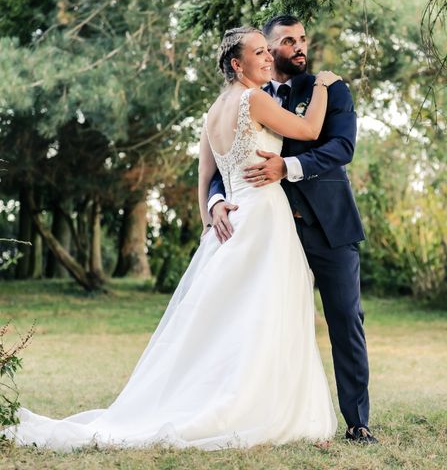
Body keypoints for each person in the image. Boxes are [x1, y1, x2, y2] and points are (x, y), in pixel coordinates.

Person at [2, 27, 342, 451]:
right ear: (237, 65)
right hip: (263, 217)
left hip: (230, 221)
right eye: (258, 52)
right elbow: (310, 131)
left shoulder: (213, 111)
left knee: (231, 316)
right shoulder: (254, 99)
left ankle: (239, 396)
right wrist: (327, 84)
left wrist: (209, 219)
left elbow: (204, 178)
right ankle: (254, 405)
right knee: (264, 311)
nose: (268, 56)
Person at [208, 15, 376, 444]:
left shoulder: (329, 87)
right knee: (267, 322)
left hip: (328, 224)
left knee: (345, 319)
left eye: (302, 39)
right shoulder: (248, 94)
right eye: (286, 41)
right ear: (265, 48)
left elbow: (341, 146)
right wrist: (216, 202)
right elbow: (220, 164)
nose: (299, 47)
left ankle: (357, 422)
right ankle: (266, 412)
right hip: (270, 229)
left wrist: (289, 166)